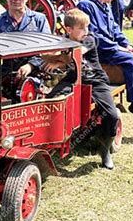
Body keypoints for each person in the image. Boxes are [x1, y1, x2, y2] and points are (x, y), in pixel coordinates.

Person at [43, 9, 119, 169]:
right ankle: (51, 139)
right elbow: (47, 54)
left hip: (95, 81)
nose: (87, 31)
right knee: (50, 102)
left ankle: (105, 150)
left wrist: (58, 61)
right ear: (69, 30)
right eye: (82, 28)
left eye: (87, 27)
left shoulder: (89, 39)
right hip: (72, 80)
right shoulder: (62, 40)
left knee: (111, 115)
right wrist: (57, 60)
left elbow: (76, 54)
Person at [0, 0, 51, 77]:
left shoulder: (39, 20)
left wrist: (30, 65)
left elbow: (47, 49)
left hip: (34, 72)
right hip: (6, 73)